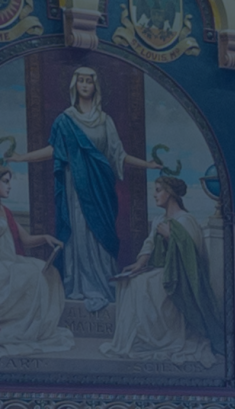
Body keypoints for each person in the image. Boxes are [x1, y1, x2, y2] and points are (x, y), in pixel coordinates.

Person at [8, 66, 163, 311]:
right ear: (74, 85)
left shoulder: (105, 121)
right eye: (80, 81)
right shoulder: (65, 120)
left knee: (101, 234)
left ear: (95, 87)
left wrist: (147, 164)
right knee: (79, 230)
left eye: (89, 81)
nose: (84, 85)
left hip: (101, 189)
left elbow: (118, 154)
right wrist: (21, 158)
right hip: (75, 189)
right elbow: (53, 150)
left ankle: (102, 284)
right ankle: (78, 285)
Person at [102, 175, 222, 365]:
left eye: (158, 190)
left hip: (179, 277)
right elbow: (148, 245)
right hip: (162, 271)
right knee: (130, 281)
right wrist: (138, 265)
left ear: (171, 193)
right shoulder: (159, 219)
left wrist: (170, 237)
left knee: (141, 284)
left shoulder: (186, 219)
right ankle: (138, 338)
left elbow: (192, 257)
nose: (154, 195)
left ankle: (157, 338)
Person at [0, 167, 73, 357]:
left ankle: (40, 328)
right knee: (32, 274)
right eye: (5, 181)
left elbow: (26, 239)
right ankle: (25, 327)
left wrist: (46, 237)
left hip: (11, 261)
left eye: (9, 181)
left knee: (45, 270)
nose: (9, 186)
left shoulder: (5, 211)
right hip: (2, 266)